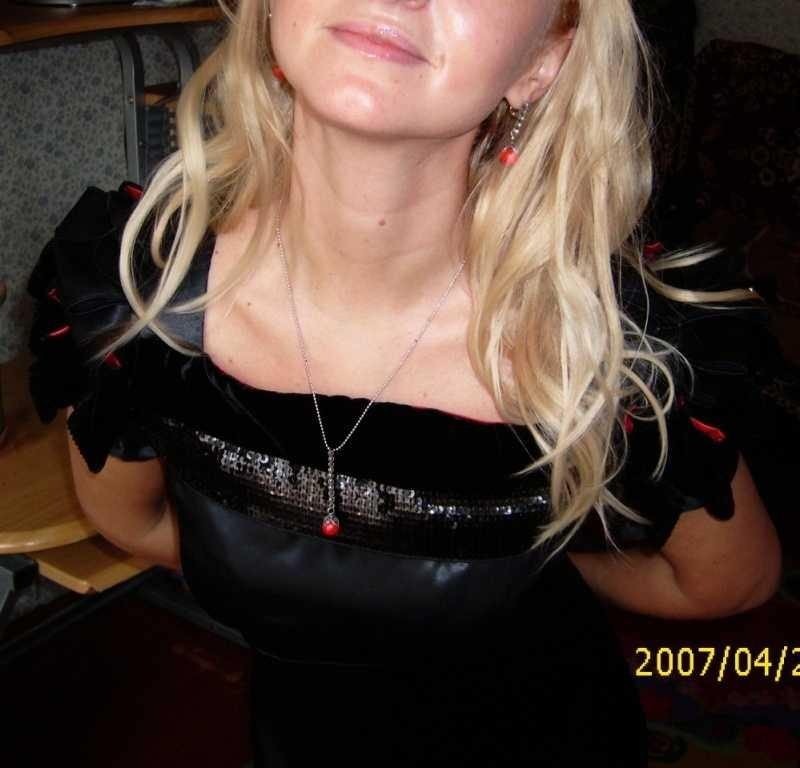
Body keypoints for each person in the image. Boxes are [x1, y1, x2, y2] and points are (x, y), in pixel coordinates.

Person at [26, 1, 782, 765]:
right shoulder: (140, 296)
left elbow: (728, 581)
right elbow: (131, 523)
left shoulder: (612, 343)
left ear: (542, 62)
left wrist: (546, 572)